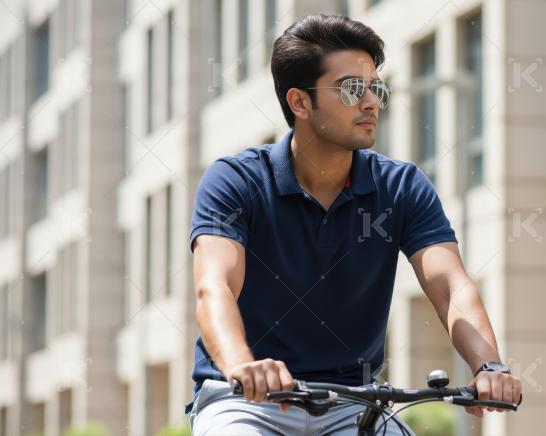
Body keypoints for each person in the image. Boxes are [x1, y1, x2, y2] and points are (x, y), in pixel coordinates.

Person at [186, 13, 521, 435]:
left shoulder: (400, 186)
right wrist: (241, 365)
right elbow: (213, 287)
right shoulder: (237, 181)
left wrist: (488, 365)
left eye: (375, 88)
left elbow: (451, 287)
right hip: (246, 401)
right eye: (351, 89)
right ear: (300, 102)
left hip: (353, 405)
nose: (371, 102)